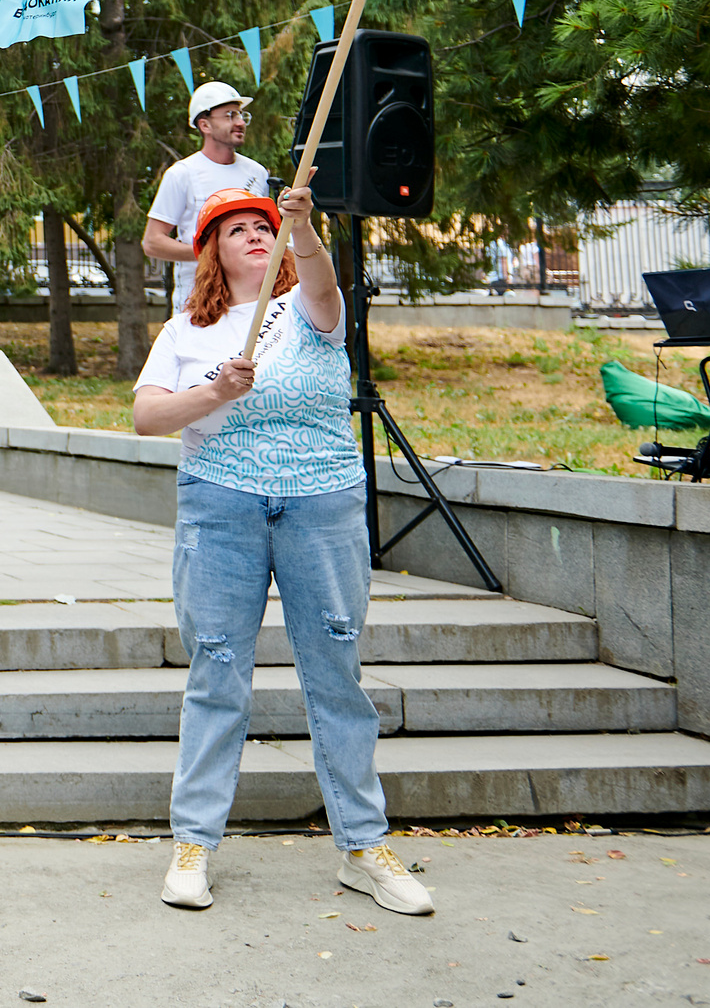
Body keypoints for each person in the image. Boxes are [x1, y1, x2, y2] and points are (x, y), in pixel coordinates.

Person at [134, 185, 433, 920]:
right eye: (238, 229)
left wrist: (302, 228)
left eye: (263, 226)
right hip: (221, 504)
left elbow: (326, 284)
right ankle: (194, 841)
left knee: (335, 671)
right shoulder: (185, 333)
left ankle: (364, 846)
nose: (255, 236)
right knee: (218, 669)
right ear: (213, 250)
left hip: (320, 503)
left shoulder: (306, 309)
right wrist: (210, 392)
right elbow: (146, 415)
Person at [143, 82, 270, 314]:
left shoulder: (257, 173)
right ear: (205, 125)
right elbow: (152, 242)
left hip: (252, 304)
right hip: (199, 304)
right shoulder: (182, 174)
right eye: (230, 115)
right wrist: (211, 252)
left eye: (241, 115)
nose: (240, 122)